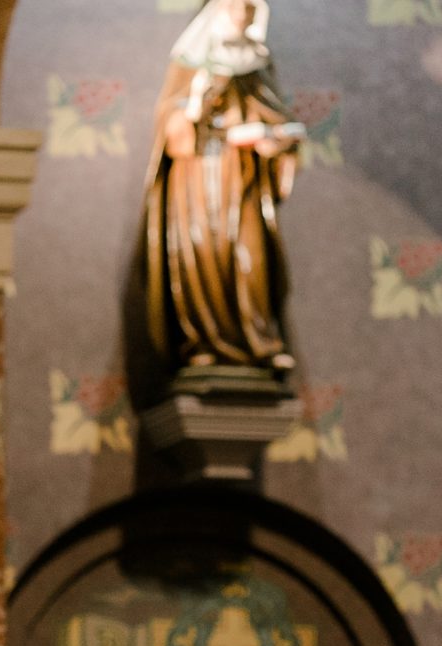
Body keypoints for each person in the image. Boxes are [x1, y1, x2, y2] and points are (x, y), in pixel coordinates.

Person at [144, 0, 302, 373]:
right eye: (233, 5)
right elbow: (171, 118)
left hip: (242, 173)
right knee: (201, 251)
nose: (241, 13)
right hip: (199, 172)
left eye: (248, 6)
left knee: (250, 255)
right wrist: (189, 111)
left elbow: (278, 117)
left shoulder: (257, 62)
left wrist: (272, 137)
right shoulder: (191, 59)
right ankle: (204, 339)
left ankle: (259, 341)